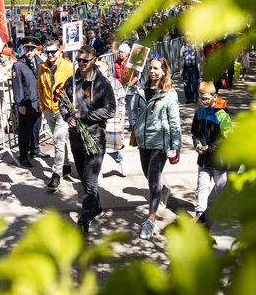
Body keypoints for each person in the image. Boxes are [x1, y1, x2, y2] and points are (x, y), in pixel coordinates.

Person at [60, 45, 115, 238]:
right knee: (84, 180)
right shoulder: (71, 81)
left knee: (90, 184)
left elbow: (110, 110)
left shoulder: (102, 84)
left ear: (93, 60)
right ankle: (97, 207)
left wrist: (84, 114)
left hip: (95, 138)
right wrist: (68, 117)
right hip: (76, 139)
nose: (81, 64)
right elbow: (62, 104)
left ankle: (83, 222)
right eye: (79, 61)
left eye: (85, 61)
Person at [133, 55, 181, 239]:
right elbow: (133, 111)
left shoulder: (170, 94)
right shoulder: (141, 90)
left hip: (161, 143)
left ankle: (150, 220)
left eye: (156, 69)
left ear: (164, 71)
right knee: (148, 175)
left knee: (152, 179)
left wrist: (175, 146)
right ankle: (163, 191)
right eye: (150, 68)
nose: (152, 71)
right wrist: (134, 126)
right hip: (143, 141)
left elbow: (175, 123)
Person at [191, 82, 232, 225]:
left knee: (221, 186)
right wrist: (197, 145)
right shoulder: (199, 112)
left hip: (218, 159)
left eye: (206, 99)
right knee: (202, 185)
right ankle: (200, 213)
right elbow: (194, 132)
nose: (203, 102)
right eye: (201, 98)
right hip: (203, 158)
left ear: (215, 97)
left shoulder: (222, 115)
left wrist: (208, 148)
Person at [37, 38, 74, 189]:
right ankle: (66, 165)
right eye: (48, 52)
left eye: (53, 52)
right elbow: (40, 87)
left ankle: (56, 174)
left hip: (62, 111)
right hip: (47, 109)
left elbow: (75, 87)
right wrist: (42, 106)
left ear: (60, 51)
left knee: (58, 141)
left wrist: (71, 108)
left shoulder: (69, 67)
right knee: (58, 141)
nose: (50, 55)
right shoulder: (42, 67)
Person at [11, 36, 44, 168]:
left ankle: (35, 150)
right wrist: (20, 104)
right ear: (23, 49)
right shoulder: (18, 65)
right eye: (27, 49)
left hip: (38, 101)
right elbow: (17, 85)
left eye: (32, 49)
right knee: (24, 131)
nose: (29, 51)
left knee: (36, 127)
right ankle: (23, 155)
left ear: (36, 50)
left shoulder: (40, 62)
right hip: (26, 102)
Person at [97, 58, 127, 178]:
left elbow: (121, 103)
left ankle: (121, 160)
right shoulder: (93, 82)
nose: (97, 68)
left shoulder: (115, 83)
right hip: (97, 120)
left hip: (111, 120)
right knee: (97, 149)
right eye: (96, 66)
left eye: (99, 66)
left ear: (106, 68)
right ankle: (97, 173)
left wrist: (120, 119)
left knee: (111, 148)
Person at [115, 43, 139, 126]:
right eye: (119, 52)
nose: (120, 54)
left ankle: (132, 124)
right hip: (120, 88)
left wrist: (132, 82)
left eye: (122, 52)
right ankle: (120, 125)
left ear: (127, 53)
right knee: (120, 108)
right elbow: (115, 74)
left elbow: (137, 75)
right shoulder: (116, 62)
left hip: (130, 88)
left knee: (131, 107)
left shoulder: (132, 62)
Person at [180, 34, 200, 103]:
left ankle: (194, 97)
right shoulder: (183, 46)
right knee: (186, 83)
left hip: (194, 67)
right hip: (186, 67)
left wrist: (200, 68)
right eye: (186, 36)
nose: (187, 37)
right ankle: (188, 98)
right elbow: (181, 58)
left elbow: (198, 57)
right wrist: (180, 69)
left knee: (195, 83)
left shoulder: (195, 46)